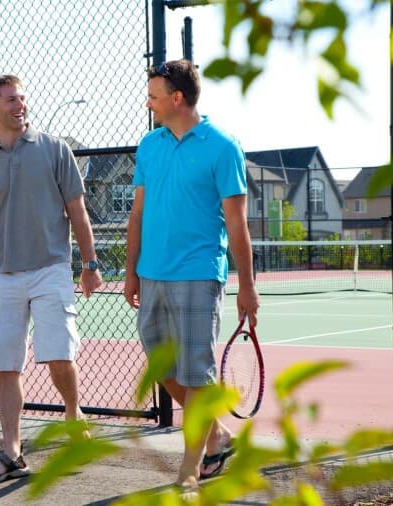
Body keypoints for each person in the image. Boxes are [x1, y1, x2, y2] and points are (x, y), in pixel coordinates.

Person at [123, 59, 260, 491]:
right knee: (163, 365)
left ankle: (187, 472)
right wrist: (130, 272)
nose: (148, 103)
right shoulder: (149, 145)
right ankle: (217, 434)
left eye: (153, 96)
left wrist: (248, 287)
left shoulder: (223, 146)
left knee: (197, 374)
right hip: (151, 275)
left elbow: (237, 223)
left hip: (200, 274)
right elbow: (138, 213)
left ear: (176, 98)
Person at [0, 74, 103, 487]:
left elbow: (78, 211)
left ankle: (74, 413)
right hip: (3, 276)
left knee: (59, 356)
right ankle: (11, 452)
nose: (20, 104)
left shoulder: (55, 149)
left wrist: (90, 263)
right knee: (6, 365)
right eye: (11, 99)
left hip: (51, 269)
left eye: (22, 98)